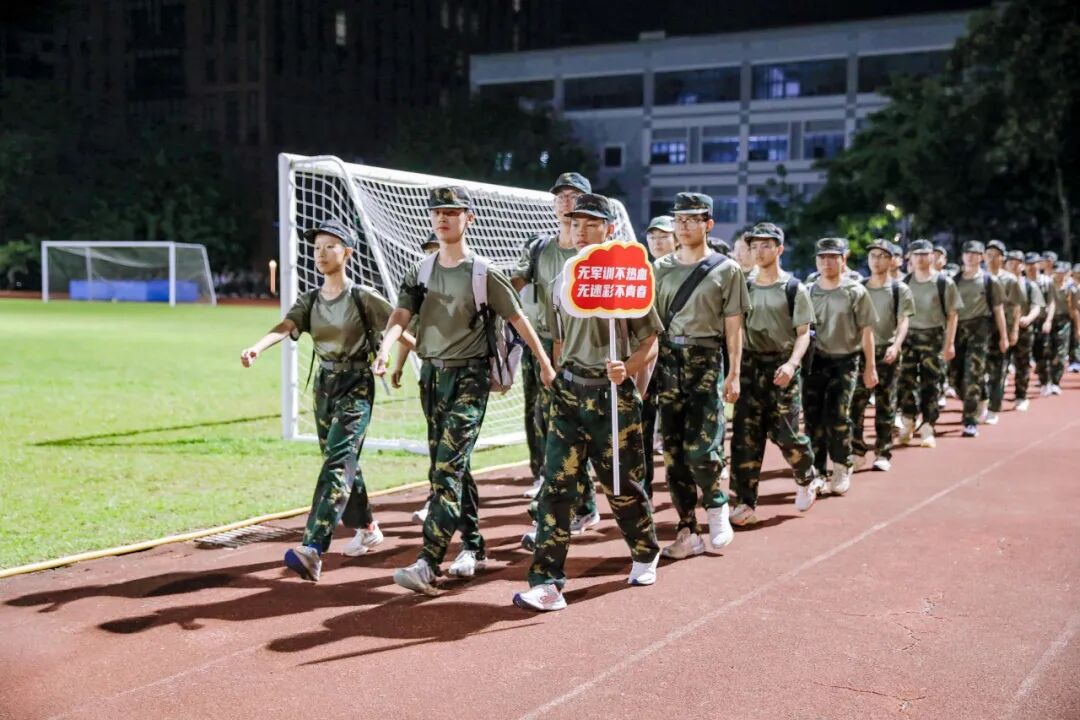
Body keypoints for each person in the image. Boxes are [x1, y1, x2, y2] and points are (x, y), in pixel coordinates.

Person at [375, 186, 556, 594]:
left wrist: (544, 364)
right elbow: (401, 316)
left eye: (452, 212)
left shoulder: (482, 273)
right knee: (453, 464)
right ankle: (473, 545)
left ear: (467, 219)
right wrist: (386, 352)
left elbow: (519, 320)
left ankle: (427, 561)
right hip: (432, 379)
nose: (443, 218)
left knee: (446, 468)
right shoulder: (420, 271)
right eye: (438, 212)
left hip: (470, 378)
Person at [513, 193, 661, 612]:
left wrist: (627, 368)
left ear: (608, 229)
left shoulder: (628, 276)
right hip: (569, 392)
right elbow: (559, 337)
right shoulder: (563, 277)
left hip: (611, 393)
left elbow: (651, 340)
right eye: (575, 223)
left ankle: (646, 550)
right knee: (557, 488)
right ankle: (547, 583)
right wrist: (559, 374)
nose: (579, 230)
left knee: (621, 484)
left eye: (590, 223)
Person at [239, 219, 408, 581]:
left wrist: (391, 356)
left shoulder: (363, 297)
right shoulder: (310, 300)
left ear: (347, 252)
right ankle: (368, 528)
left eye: (330, 246)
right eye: (316, 247)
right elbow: (286, 327)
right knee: (342, 459)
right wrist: (257, 347)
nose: (321, 253)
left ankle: (313, 548)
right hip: (324, 385)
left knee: (337, 461)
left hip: (358, 383)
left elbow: (399, 327)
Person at [652, 193, 747, 559]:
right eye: (679, 220)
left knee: (701, 449)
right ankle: (687, 528)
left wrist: (734, 372)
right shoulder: (659, 268)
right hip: (668, 359)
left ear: (708, 224)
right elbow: (650, 323)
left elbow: (733, 325)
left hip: (706, 357)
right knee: (673, 454)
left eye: (692, 219)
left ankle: (717, 502)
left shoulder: (727, 269)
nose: (684, 226)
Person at [510, 173, 598, 529]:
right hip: (541, 342)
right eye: (560, 196)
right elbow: (515, 282)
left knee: (570, 426)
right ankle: (569, 495)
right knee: (542, 419)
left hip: (581, 346)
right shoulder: (539, 248)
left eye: (573, 195)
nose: (565, 201)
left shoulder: (596, 252)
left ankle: (572, 502)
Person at [730, 222, 822, 525]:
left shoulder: (795, 288)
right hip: (749, 366)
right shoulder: (744, 285)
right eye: (754, 245)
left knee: (787, 433)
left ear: (779, 249)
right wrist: (733, 370)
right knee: (745, 437)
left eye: (766, 245)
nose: (759, 250)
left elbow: (803, 333)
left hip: (781, 365)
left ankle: (806, 475)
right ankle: (745, 502)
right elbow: (736, 329)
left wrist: (792, 364)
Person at [804, 237, 878, 495]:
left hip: (846, 360)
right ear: (816, 261)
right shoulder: (809, 290)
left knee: (838, 415)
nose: (827, 262)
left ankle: (840, 465)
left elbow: (867, 331)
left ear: (843, 260)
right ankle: (817, 470)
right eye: (822, 258)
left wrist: (871, 367)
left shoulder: (855, 291)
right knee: (813, 418)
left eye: (833, 257)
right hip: (815, 361)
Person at [850, 240, 914, 472]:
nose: (875, 260)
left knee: (886, 405)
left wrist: (896, 345)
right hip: (861, 352)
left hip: (887, 351)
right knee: (855, 405)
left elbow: (904, 319)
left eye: (881, 256)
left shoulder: (899, 289)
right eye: (872, 256)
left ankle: (883, 452)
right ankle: (857, 451)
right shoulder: (860, 287)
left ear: (890, 260)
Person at [897, 240, 961, 448]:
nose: (921, 258)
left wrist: (950, 343)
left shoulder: (944, 282)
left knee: (931, 383)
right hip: (908, 338)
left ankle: (927, 426)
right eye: (916, 255)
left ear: (932, 257)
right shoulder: (903, 282)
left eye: (925, 254)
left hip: (934, 337)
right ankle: (908, 420)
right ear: (910, 258)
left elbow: (952, 315)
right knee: (905, 382)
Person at [952, 241, 1008, 437]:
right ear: (962, 256)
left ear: (981, 257)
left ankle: (970, 420)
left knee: (973, 375)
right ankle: (981, 396)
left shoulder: (989, 281)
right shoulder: (954, 280)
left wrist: (1004, 336)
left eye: (975, 253)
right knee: (954, 376)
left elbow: (998, 310)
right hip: (958, 331)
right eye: (967, 253)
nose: (970, 256)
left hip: (979, 331)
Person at [640, 215, 677, 499]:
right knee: (643, 429)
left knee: (678, 431)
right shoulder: (641, 273)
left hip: (680, 359)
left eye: (663, 236)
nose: (657, 242)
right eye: (652, 237)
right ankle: (645, 494)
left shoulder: (686, 271)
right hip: (648, 360)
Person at [981, 240, 1023, 424]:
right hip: (980, 329)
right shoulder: (978, 277)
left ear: (1002, 258)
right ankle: (981, 400)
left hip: (1001, 328)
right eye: (988, 254)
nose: (991, 258)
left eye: (996, 255)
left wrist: (1013, 331)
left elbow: (1015, 307)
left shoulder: (1010, 280)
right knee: (976, 370)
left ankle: (993, 408)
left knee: (998, 370)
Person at [1004, 251, 1045, 411]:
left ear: (1022, 265)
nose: (1014, 265)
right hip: (1003, 330)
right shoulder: (999, 283)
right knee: (998, 365)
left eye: (1017, 262)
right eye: (1010, 262)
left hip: (1023, 330)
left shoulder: (1029, 285)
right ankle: (995, 398)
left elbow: (1037, 306)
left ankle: (1021, 396)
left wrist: (1028, 318)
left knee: (1022, 365)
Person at [1044, 261, 1075, 394]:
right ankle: (1046, 380)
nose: (1060, 275)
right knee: (1046, 351)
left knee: (1061, 352)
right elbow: (1048, 302)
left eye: (1062, 273)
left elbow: (1073, 308)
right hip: (1048, 320)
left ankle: (1056, 381)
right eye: (1058, 273)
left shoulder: (1070, 288)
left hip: (1064, 320)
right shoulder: (1047, 285)